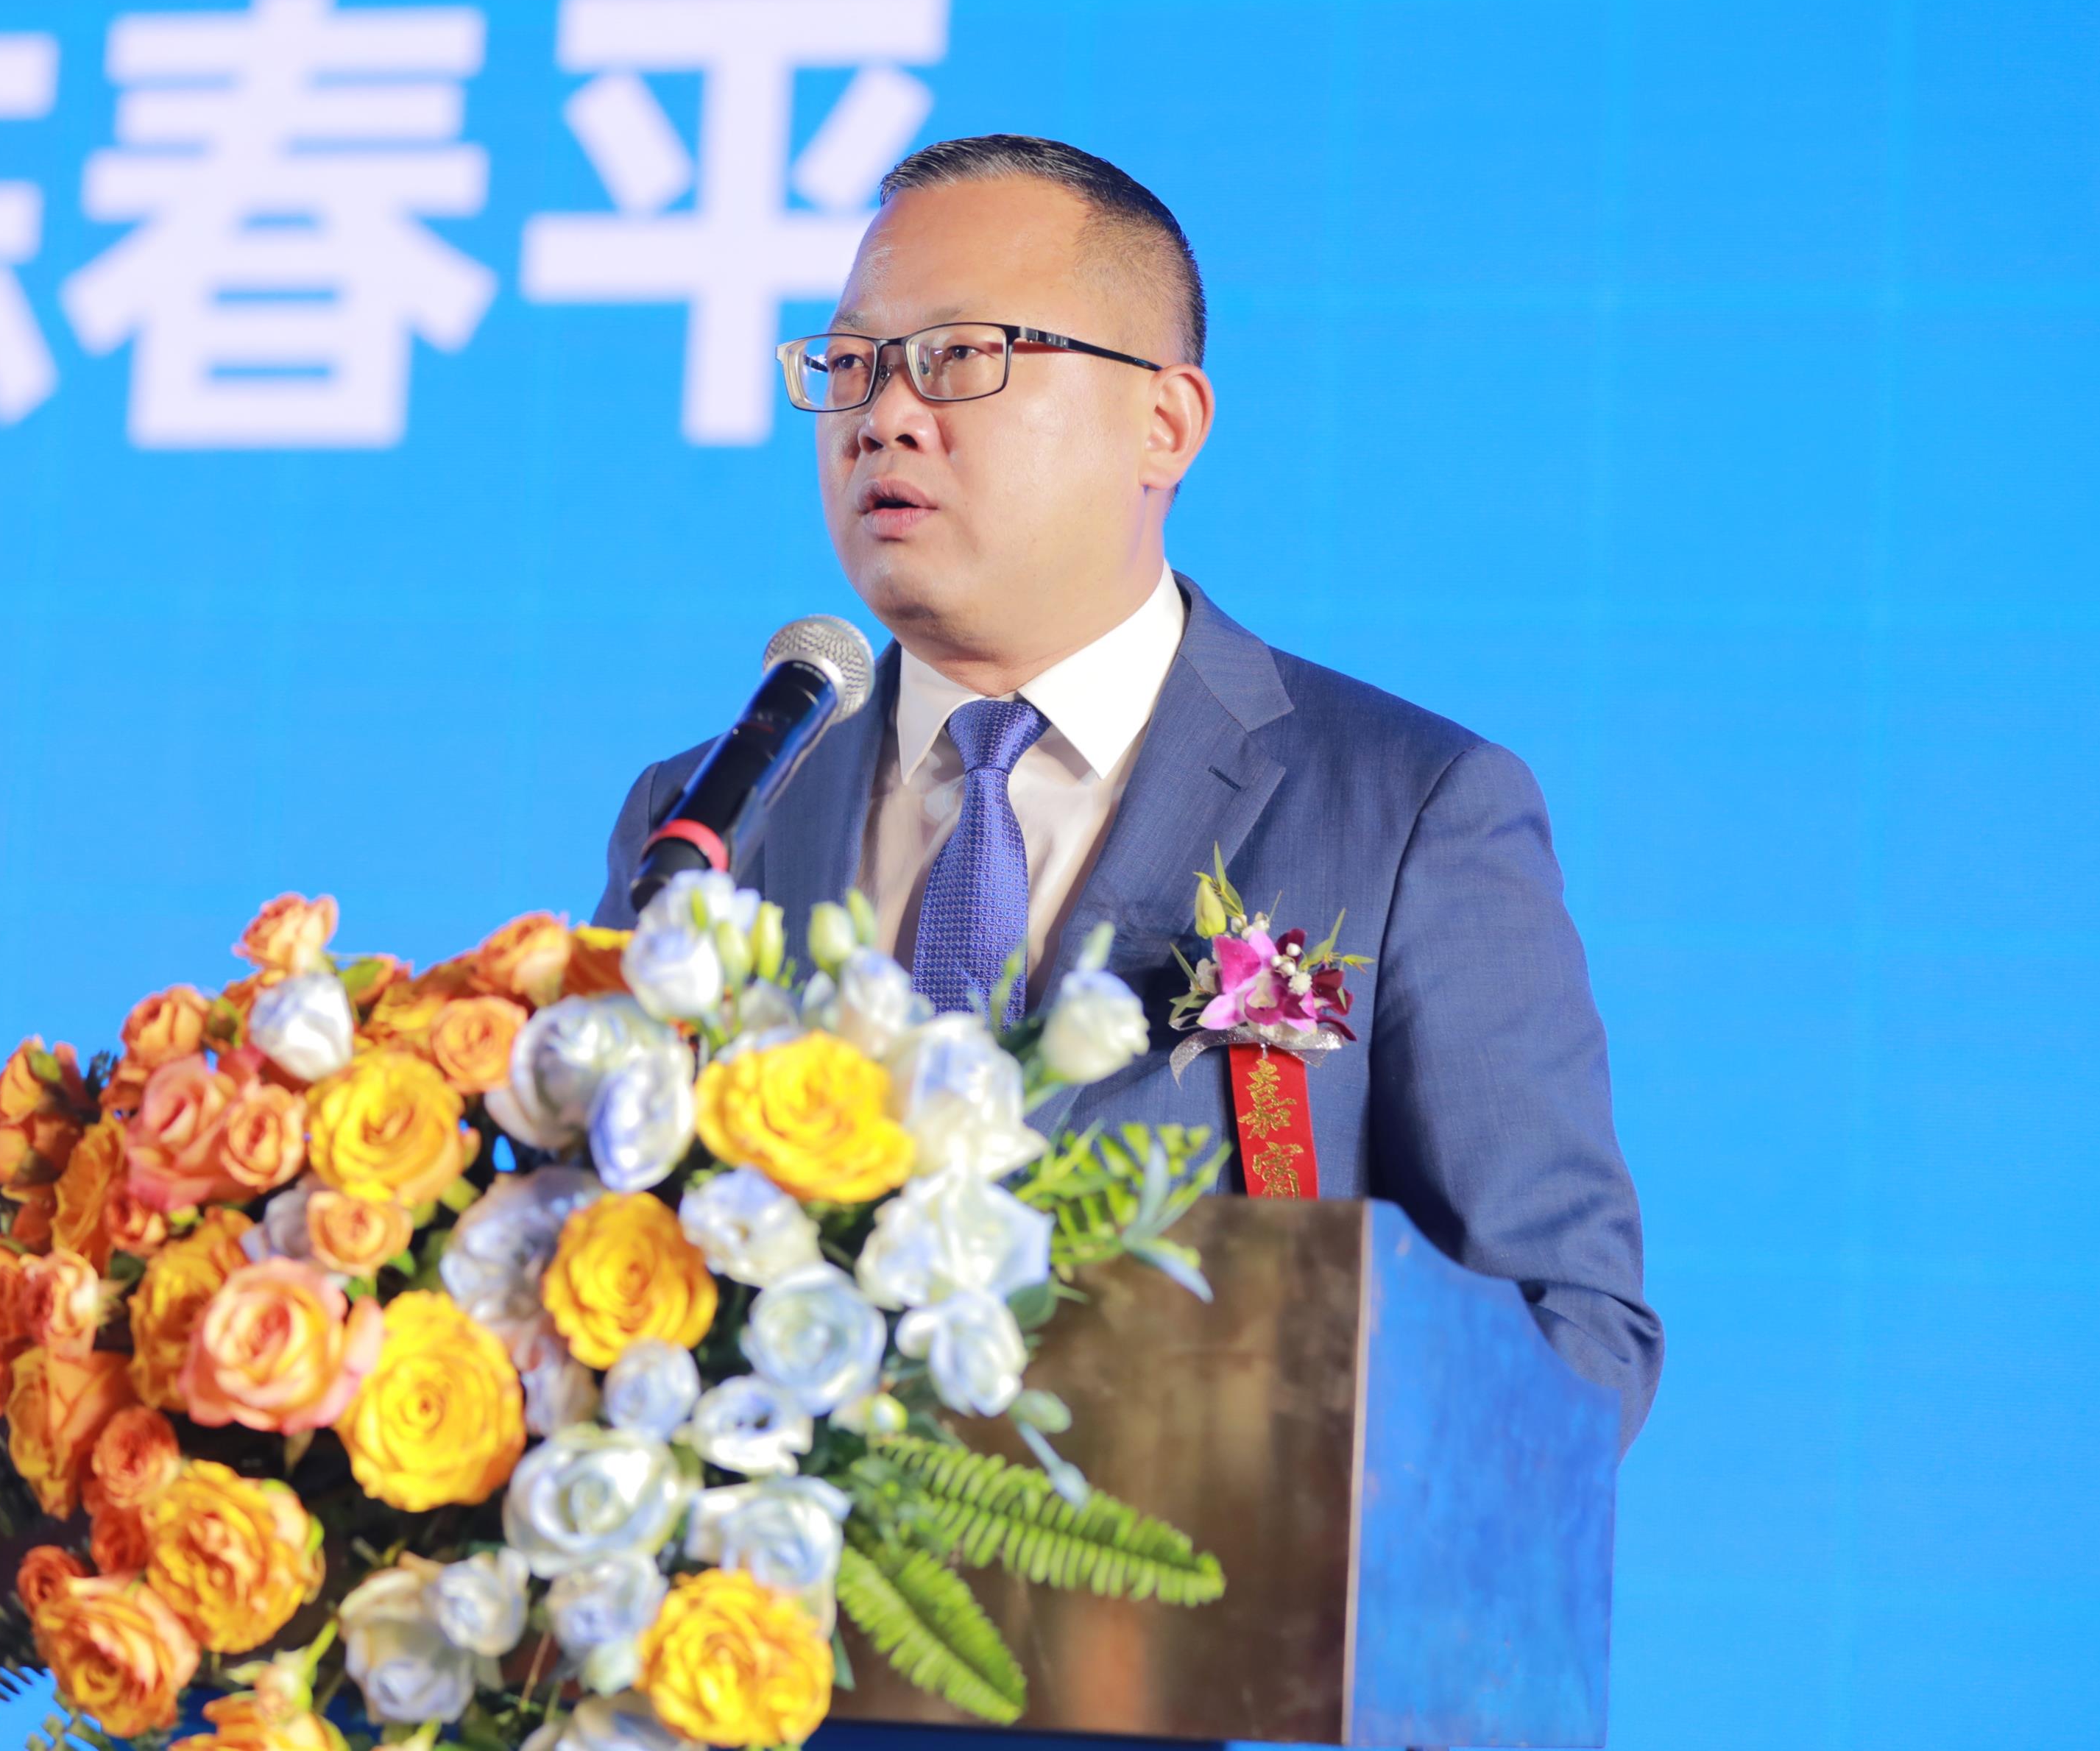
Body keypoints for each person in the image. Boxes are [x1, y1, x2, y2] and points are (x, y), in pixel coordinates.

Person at [593, 135, 1659, 1446]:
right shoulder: (711, 815)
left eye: (960, 356)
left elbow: (1566, 1336)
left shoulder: (1406, 812)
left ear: (1165, 424)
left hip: (1214, 1570)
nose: (883, 415)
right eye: (852, 363)